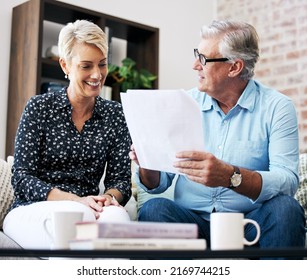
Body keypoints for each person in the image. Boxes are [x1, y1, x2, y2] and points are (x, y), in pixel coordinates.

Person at [130, 19, 306, 250]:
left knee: (286, 209)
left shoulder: (277, 107)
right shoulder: (185, 102)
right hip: (192, 224)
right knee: (155, 209)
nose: (195, 65)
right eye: (197, 54)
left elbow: (287, 181)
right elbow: (159, 183)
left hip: (250, 223)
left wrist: (230, 176)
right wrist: (147, 163)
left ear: (234, 67)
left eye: (203, 58)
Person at [3, 19, 132, 249]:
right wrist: (77, 200)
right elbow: (22, 178)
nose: (97, 74)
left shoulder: (115, 114)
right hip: (32, 208)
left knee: (118, 218)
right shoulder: (39, 108)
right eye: (86, 66)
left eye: (102, 64)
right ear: (65, 65)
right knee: (74, 220)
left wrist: (109, 199)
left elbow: (120, 180)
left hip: (90, 209)